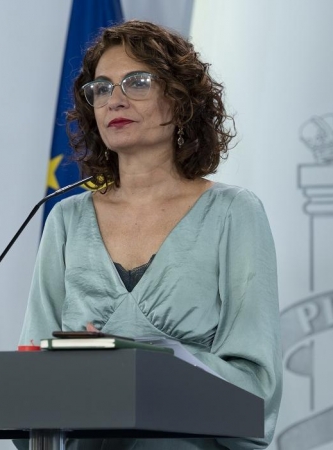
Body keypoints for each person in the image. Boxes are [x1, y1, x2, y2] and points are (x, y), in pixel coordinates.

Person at [19, 20, 282, 450]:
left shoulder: (234, 213)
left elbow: (256, 389)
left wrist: (141, 363)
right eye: (101, 88)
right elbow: (29, 381)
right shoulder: (65, 219)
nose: (114, 99)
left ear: (180, 103)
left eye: (136, 82)